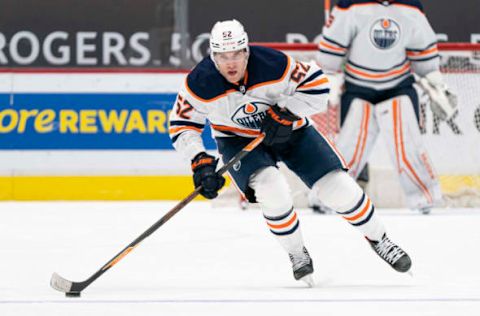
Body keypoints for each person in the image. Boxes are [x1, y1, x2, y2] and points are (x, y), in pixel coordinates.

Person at [169, 19, 412, 286]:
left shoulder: (274, 64)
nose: (231, 63)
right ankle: (297, 253)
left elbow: (318, 86)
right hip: (236, 140)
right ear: (213, 56)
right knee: (272, 191)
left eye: (237, 53)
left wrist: (287, 112)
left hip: (291, 130)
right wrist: (200, 161)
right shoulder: (199, 83)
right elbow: (183, 125)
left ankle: (380, 239)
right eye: (223, 56)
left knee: (339, 188)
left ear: (246, 51)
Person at [316, 0, 457, 214]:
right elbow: (333, 45)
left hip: (397, 85)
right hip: (357, 87)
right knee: (348, 150)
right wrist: (327, 76)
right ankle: (325, 198)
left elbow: (423, 47)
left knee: (408, 146)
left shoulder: (411, 7)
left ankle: (426, 199)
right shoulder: (350, 5)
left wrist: (434, 80)